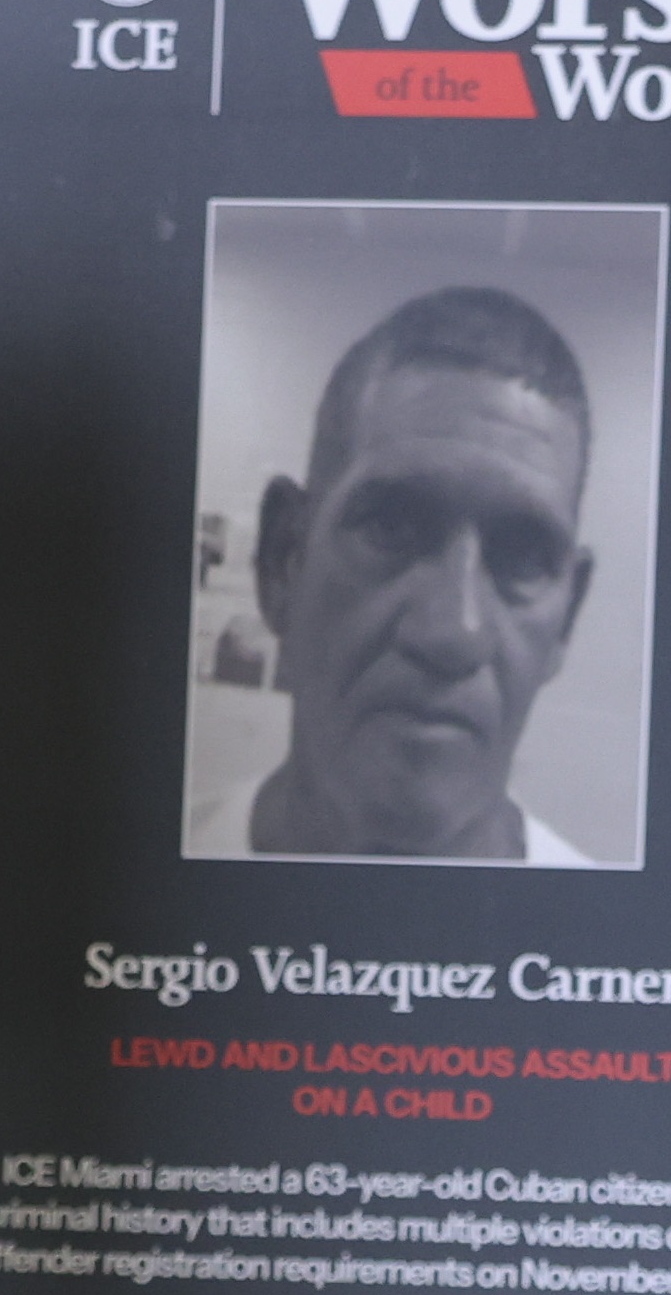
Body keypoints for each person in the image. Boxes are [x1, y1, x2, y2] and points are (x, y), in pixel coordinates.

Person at [194, 283, 605, 865]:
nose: (453, 634)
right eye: (390, 527)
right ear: (284, 559)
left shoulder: (619, 935)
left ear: (567, 621)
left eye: (522, 558)